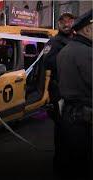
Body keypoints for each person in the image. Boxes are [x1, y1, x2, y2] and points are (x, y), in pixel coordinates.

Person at [56, 9, 92, 179]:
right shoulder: (88, 53)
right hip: (85, 119)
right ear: (87, 29)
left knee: (70, 160)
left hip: (68, 116)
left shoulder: (65, 50)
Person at [42, 12, 75, 172]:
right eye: (64, 20)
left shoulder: (75, 39)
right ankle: (60, 164)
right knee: (62, 129)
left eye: (70, 20)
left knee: (72, 128)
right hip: (59, 91)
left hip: (72, 90)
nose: (67, 23)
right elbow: (46, 62)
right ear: (59, 23)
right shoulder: (54, 42)